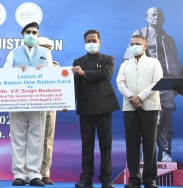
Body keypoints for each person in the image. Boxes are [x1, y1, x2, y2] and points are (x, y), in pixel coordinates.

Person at [123, 7, 180, 162]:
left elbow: (174, 63)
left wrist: (175, 84)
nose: (156, 17)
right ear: (146, 17)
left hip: (166, 83)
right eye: (153, 15)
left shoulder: (169, 39)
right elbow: (128, 59)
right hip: (146, 85)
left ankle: (165, 153)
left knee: (166, 121)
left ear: (163, 19)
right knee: (148, 121)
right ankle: (146, 154)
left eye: (159, 15)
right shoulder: (139, 34)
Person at [3, 22, 53, 187]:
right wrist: (15, 71)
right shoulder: (14, 53)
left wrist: (44, 71)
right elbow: (5, 74)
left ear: (38, 36)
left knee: (37, 138)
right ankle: (19, 174)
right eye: (28, 32)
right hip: (17, 102)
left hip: (38, 102)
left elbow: (52, 76)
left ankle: (33, 174)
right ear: (23, 35)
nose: (31, 35)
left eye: (34, 32)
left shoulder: (45, 53)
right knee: (17, 137)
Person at [71, 30, 120, 188]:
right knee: (87, 144)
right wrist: (68, 102)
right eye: (88, 41)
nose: (91, 43)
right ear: (85, 43)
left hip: (104, 107)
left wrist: (84, 73)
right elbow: (75, 85)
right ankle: (86, 177)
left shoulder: (108, 59)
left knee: (106, 144)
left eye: (94, 40)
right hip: (85, 107)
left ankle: (106, 178)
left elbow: (105, 74)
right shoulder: (77, 61)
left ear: (100, 42)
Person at [117, 35, 163, 188]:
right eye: (132, 44)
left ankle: (150, 179)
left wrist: (140, 97)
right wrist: (132, 97)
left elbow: (158, 81)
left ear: (145, 46)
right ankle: (134, 180)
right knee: (132, 143)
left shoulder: (154, 62)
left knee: (150, 142)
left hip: (149, 107)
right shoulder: (125, 65)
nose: (134, 46)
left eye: (138, 44)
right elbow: (120, 83)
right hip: (129, 108)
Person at [37, 37, 59, 185]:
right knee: (28, 140)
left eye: (49, 49)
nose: (47, 51)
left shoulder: (56, 67)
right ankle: (28, 173)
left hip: (50, 106)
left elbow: (61, 87)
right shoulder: (26, 65)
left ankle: (44, 173)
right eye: (43, 48)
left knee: (47, 140)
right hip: (30, 106)